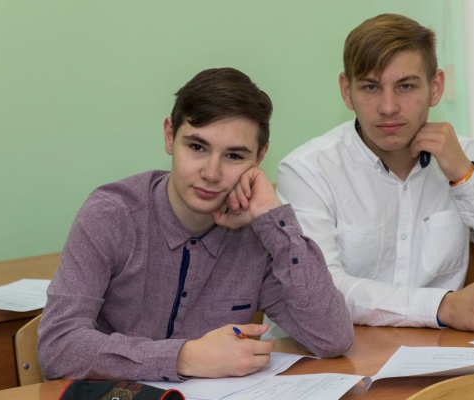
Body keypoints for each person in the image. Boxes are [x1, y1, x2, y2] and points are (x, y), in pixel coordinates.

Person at [37, 67, 354, 382]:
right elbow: (58, 346)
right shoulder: (111, 215)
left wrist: (275, 220)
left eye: (234, 156)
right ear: (169, 136)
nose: (211, 173)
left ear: (260, 157)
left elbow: (332, 338)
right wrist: (183, 357)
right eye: (197, 147)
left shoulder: (258, 235)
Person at [267, 14, 474, 336]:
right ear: (347, 91)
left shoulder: (467, 157)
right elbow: (322, 291)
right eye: (371, 87)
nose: (388, 107)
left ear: (435, 87)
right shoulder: (307, 170)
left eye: (405, 86)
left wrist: (464, 177)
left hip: (431, 350)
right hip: (326, 353)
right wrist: (442, 306)